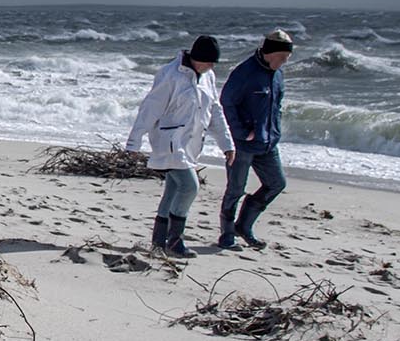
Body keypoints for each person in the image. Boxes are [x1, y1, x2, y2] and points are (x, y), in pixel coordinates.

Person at [125, 35, 235, 258]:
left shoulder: (208, 77)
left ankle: (158, 242)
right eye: (209, 61)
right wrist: (134, 142)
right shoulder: (170, 75)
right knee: (190, 187)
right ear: (197, 58)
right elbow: (150, 109)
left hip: (191, 145)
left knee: (173, 189)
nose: (212, 66)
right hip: (170, 144)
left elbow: (214, 111)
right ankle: (175, 240)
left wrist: (227, 144)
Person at [216, 29, 294, 250]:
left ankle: (244, 225)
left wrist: (275, 131)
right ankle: (227, 234)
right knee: (235, 188)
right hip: (243, 144)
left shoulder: (278, 74)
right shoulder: (245, 73)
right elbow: (226, 102)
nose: (284, 62)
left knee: (277, 183)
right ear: (270, 53)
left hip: (268, 143)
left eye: (287, 58)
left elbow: (276, 106)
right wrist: (240, 131)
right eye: (282, 57)